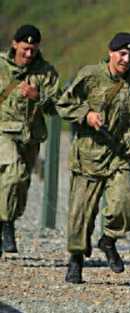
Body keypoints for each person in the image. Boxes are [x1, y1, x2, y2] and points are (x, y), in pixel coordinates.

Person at [56, 32, 130, 283]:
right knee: (81, 215)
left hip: (120, 154)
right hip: (89, 154)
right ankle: (76, 259)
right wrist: (86, 115)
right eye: (122, 53)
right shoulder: (90, 75)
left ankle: (108, 240)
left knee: (127, 204)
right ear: (111, 52)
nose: (126, 58)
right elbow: (64, 104)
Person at [0, 24, 60, 256]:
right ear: (14, 44)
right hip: (3, 131)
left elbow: (58, 107)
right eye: (25, 48)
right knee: (15, 173)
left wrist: (39, 97)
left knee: (20, 184)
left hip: (30, 136)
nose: (28, 54)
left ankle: (8, 220)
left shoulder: (46, 72)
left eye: (33, 50)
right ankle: (6, 226)